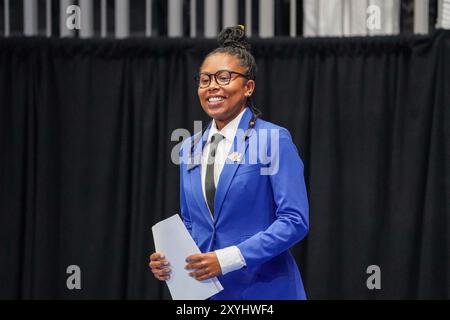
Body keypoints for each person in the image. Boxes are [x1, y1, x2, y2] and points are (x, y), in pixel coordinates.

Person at [149, 25, 309, 300]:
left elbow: (294, 221)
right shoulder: (189, 147)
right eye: (205, 79)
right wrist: (172, 259)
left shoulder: (272, 139)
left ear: (248, 87)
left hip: (264, 290)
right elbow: (192, 224)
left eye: (224, 78)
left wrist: (229, 258)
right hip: (206, 294)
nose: (212, 86)